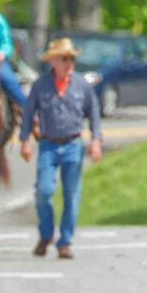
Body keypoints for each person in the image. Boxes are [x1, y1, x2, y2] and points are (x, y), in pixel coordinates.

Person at [20, 37, 102, 259]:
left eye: (71, 59)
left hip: (73, 144)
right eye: (64, 59)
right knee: (43, 191)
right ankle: (46, 233)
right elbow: (28, 112)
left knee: (71, 194)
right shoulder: (41, 85)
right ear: (53, 61)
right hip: (48, 144)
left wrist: (96, 141)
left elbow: (94, 113)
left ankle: (65, 241)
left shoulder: (82, 85)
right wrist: (25, 140)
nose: (69, 63)